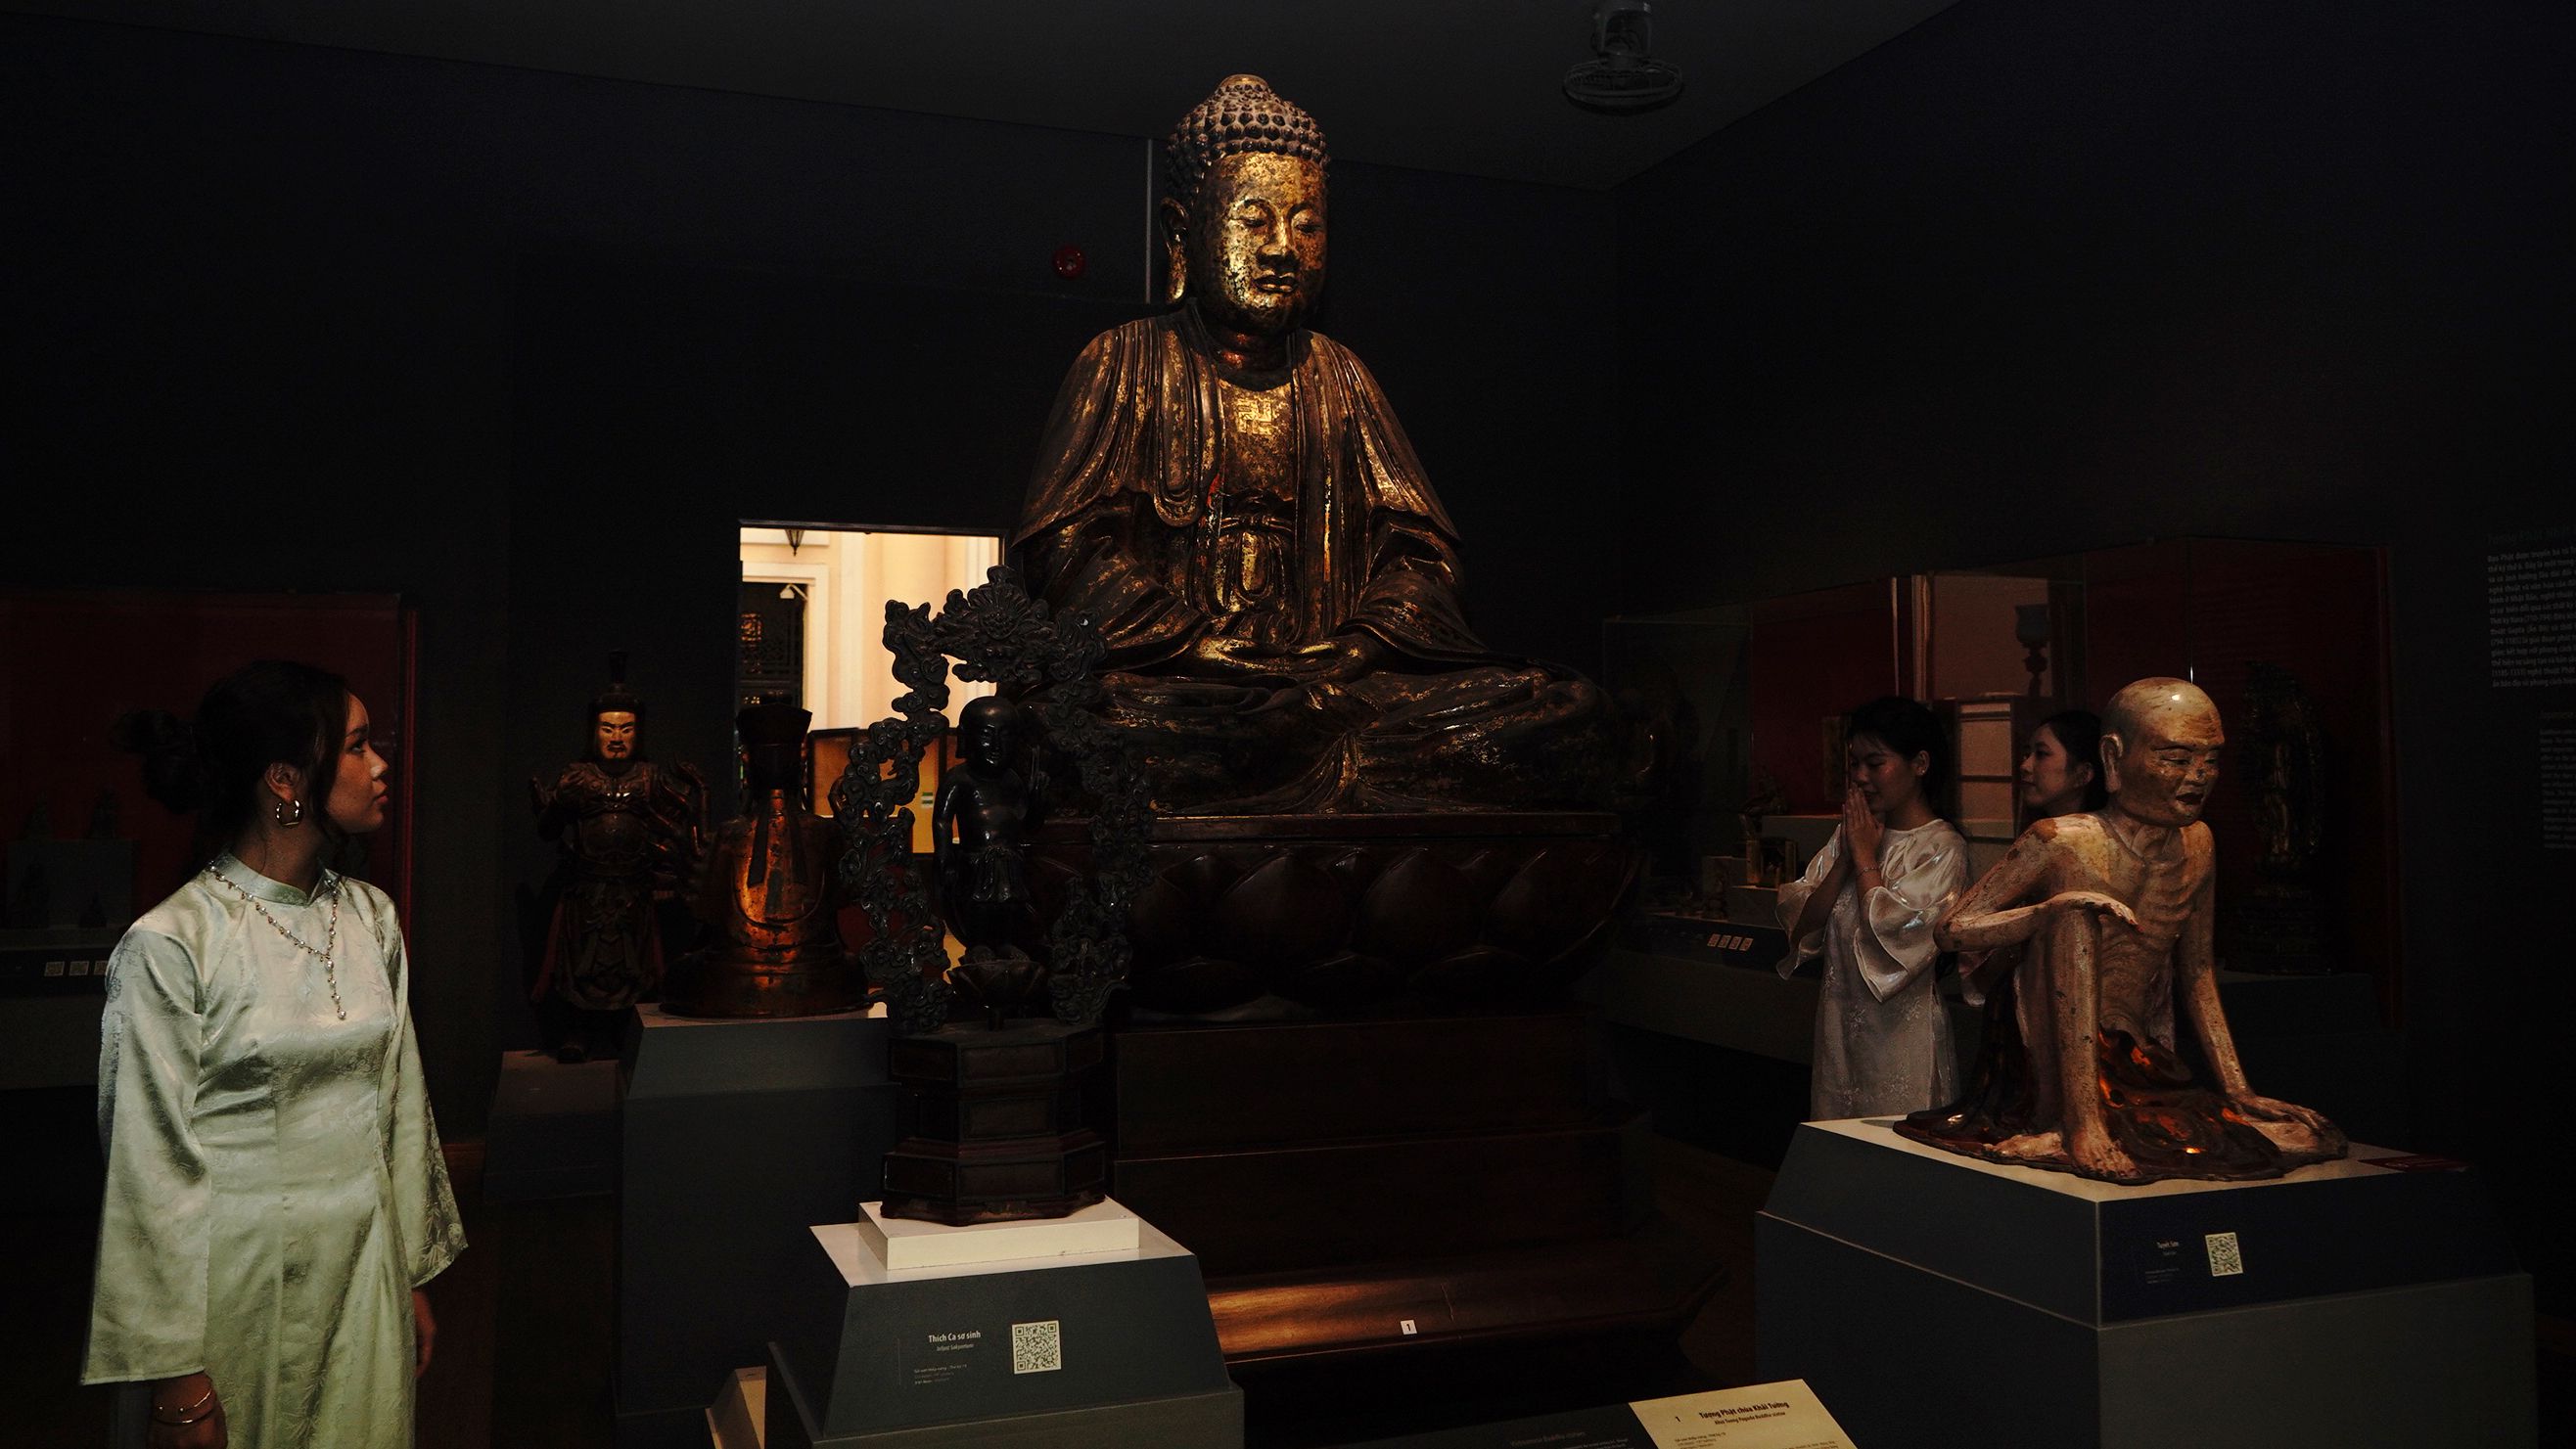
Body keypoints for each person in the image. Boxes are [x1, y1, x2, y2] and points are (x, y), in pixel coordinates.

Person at [1013, 73, 1620, 813]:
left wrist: (1362, 643)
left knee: (1565, 711)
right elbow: (1065, 552)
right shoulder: (1123, 363)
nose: (1283, 250)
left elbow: (1422, 554)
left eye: (1306, 225)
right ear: (1181, 234)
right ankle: (1320, 771)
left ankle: (1313, 766)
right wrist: (1194, 645)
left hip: (1335, 686)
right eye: (1254, 221)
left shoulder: (1341, 377)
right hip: (1188, 688)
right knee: (1080, 731)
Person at [86, 660, 466, 1448]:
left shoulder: (371, 917)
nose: (380, 765)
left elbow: (399, 1104)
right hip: (236, 1288)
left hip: (361, 1271)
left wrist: (407, 1272)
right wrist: (175, 1373)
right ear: (285, 779)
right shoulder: (173, 943)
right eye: (357, 746)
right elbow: (145, 1169)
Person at [1902, 678, 2345, 1181]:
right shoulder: (2063, 841)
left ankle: (2103, 1118)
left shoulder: (2198, 844)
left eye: (2211, 760)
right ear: (2113, 759)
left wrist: (2239, 1090)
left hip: (2132, 1052)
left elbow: (2198, 973)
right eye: (2177, 759)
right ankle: (2080, 1124)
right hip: (2042, 1054)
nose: (2198, 777)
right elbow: (1952, 930)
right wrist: (2045, 912)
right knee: (2074, 911)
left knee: (2296, 1136)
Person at [1774, 697, 1971, 1118]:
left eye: (1875, 763)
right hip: (1840, 1039)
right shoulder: (1852, 833)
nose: (1861, 777)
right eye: (1855, 764)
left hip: (1901, 1041)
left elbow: (1894, 939)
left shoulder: (1941, 848)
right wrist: (1847, 858)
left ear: (1920, 764)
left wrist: (1864, 857)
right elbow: (1802, 928)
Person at [1940, 709, 2110, 1131]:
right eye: (2027, 753)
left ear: (2084, 773)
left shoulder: (2065, 838)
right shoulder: (2042, 834)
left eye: (2041, 754)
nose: (2026, 766)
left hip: (2091, 1014)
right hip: (2027, 1008)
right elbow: (1959, 933)